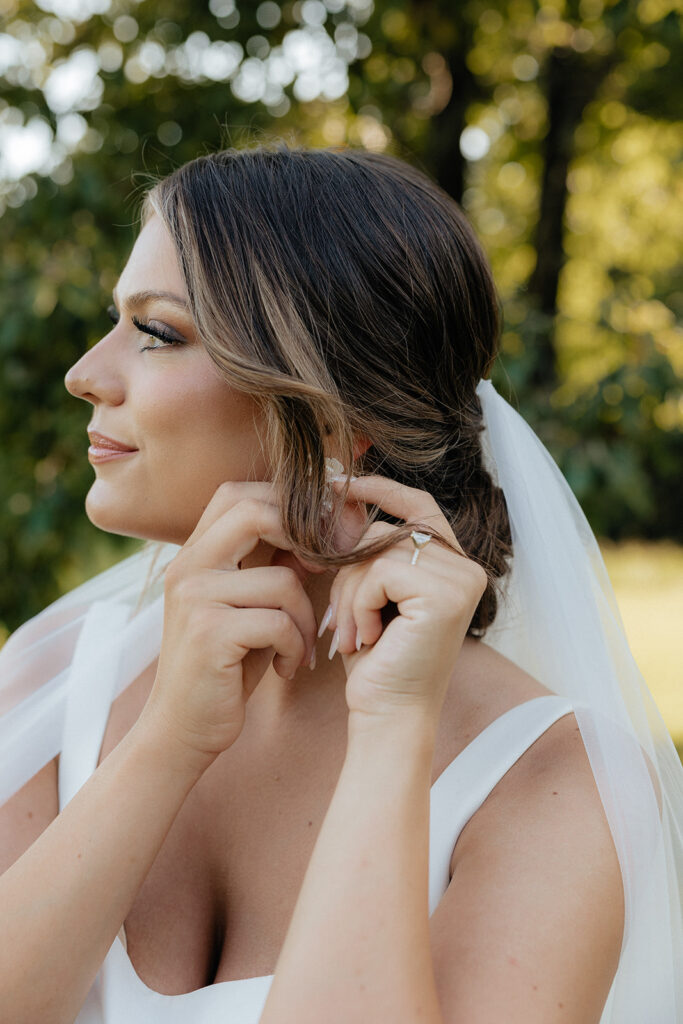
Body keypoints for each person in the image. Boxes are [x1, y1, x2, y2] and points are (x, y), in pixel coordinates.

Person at [0, 143, 680, 1024]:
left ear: (330, 417)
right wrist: (167, 742)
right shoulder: (53, 676)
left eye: (156, 332)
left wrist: (392, 733)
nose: (85, 374)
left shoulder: (549, 782)